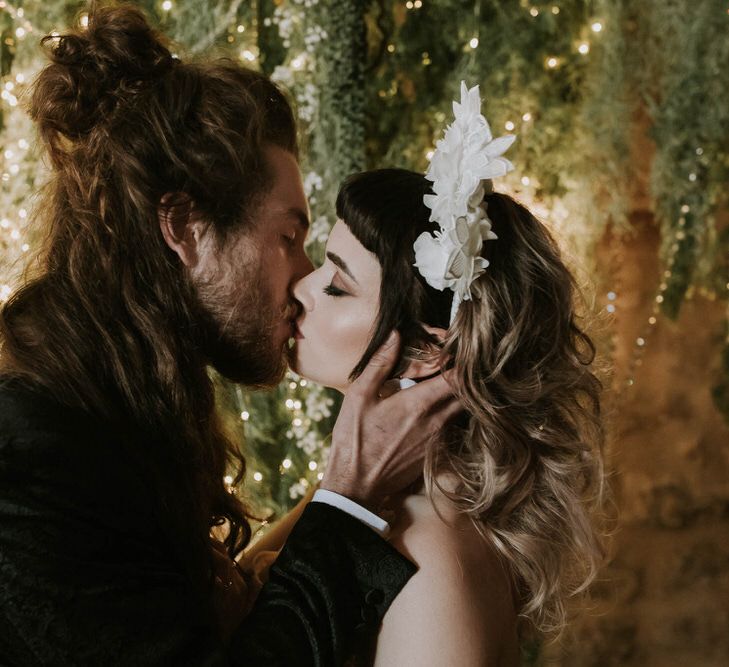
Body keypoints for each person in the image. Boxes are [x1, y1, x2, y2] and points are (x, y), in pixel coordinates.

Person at [0, 4, 458, 665]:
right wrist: (350, 496)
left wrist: (351, 483)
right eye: (287, 239)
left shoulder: (113, 398)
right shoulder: (30, 461)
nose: (302, 281)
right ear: (183, 227)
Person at [291, 84, 607, 665]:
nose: (300, 289)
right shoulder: (398, 511)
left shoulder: (431, 567)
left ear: (425, 351)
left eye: (336, 285)